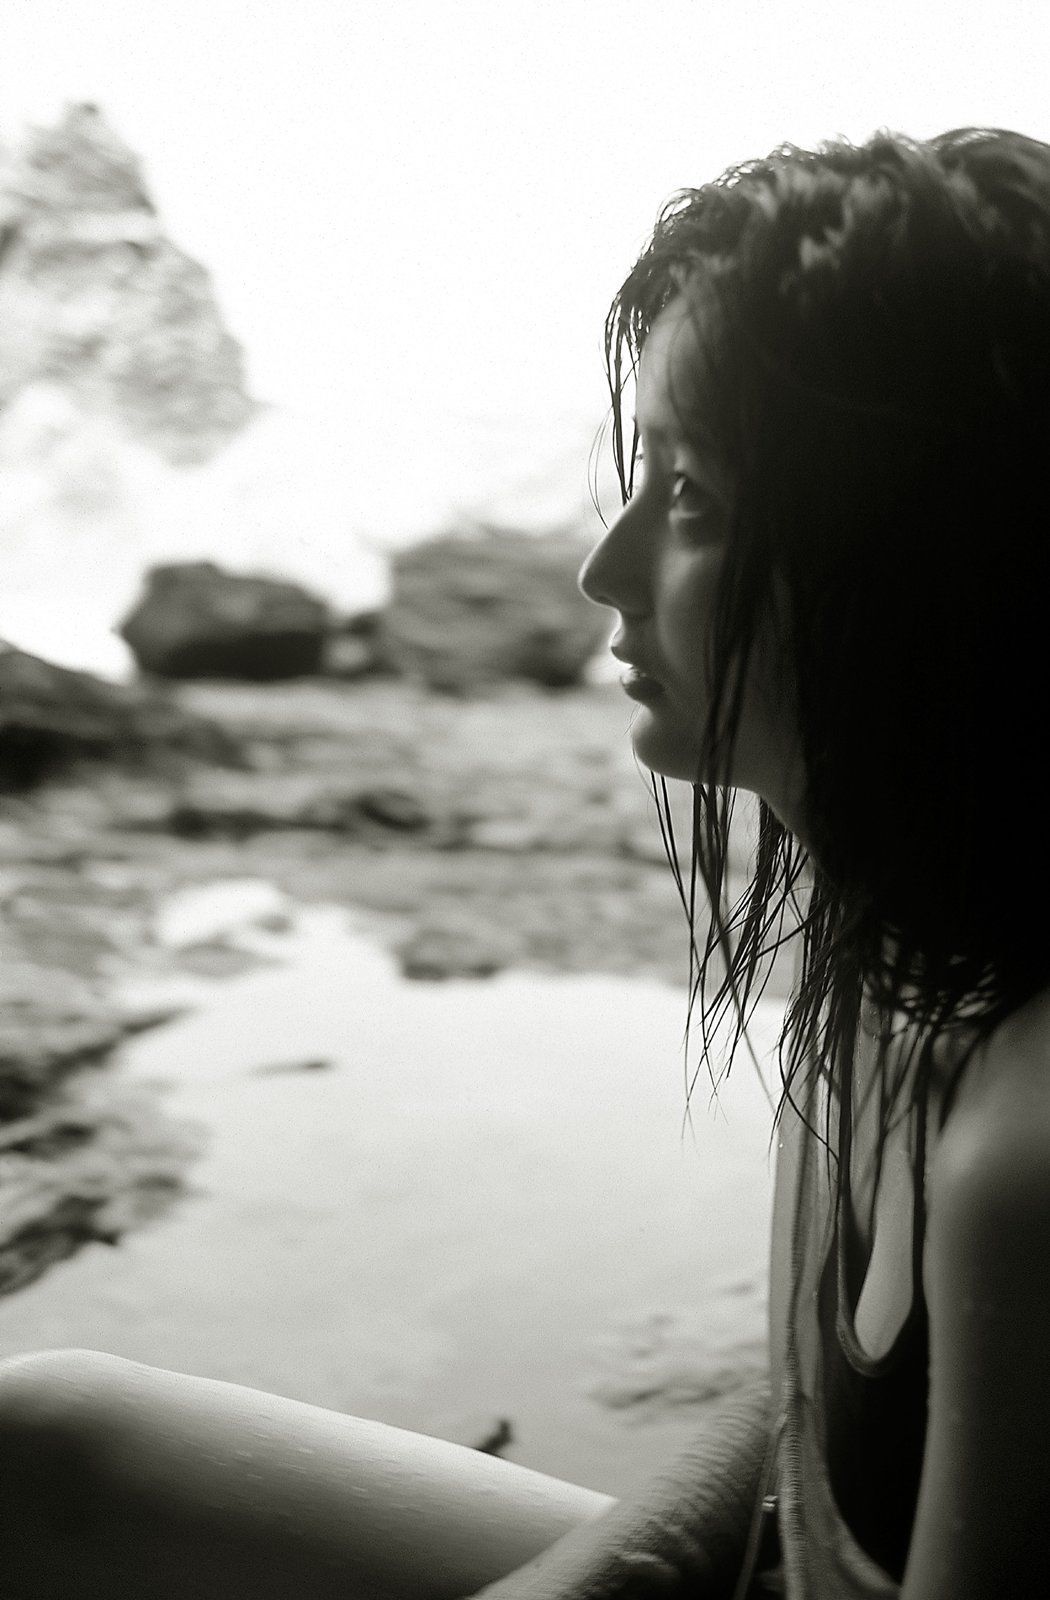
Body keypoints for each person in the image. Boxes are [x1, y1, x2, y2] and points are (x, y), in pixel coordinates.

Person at [2, 122, 1050, 1599]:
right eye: (642, 477)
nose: (603, 572)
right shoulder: (884, 928)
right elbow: (805, 1408)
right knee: (47, 1440)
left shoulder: (1025, 1156)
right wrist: (612, 1566)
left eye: (691, 499)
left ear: (918, 559)